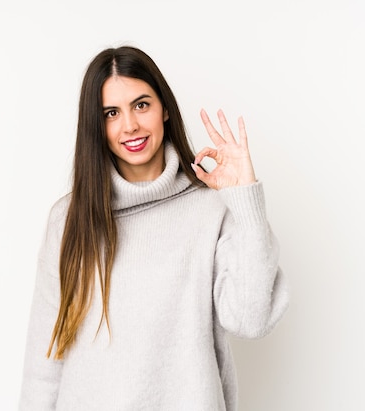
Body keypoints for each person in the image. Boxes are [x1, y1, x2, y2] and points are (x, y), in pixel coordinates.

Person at [18, 45, 289, 411]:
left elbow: (251, 319)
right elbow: (45, 360)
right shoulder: (69, 219)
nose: (129, 124)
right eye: (111, 113)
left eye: (141, 104)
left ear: (164, 109)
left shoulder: (210, 209)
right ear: (97, 126)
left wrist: (245, 199)